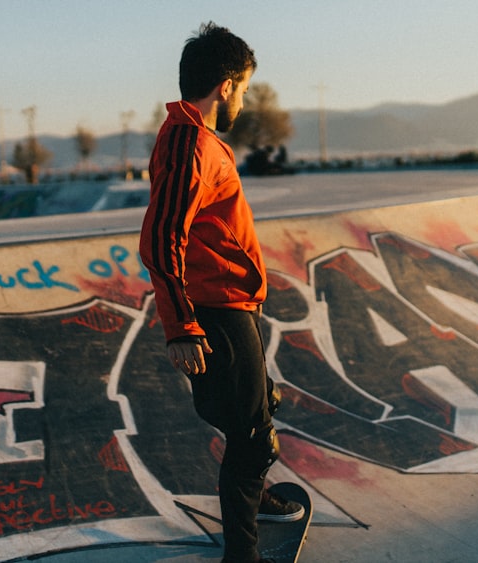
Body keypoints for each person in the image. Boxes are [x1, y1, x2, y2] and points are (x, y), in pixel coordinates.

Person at [139, 22, 304, 563]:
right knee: (252, 437)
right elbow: (162, 238)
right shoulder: (190, 141)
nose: (246, 100)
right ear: (228, 85)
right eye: (247, 88)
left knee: (256, 409)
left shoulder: (195, 138)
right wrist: (181, 327)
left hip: (226, 308)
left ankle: (256, 495)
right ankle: (244, 553)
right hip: (214, 312)